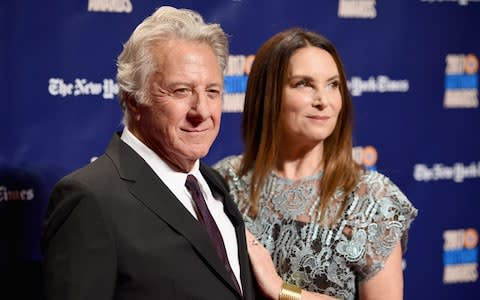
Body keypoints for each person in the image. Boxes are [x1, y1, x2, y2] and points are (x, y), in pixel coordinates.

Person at [41, 6, 256, 300]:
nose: (202, 112)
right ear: (133, 101)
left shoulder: (213, 183)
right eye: (181, 91)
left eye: (212, 92)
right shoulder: (90, 199)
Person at [214, 28, 418, 300]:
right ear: (268, 95)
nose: (324, 101)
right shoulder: (224, 181)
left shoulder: (371, 199)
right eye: (304, 84)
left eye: (333, 85)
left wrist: (282, 291)